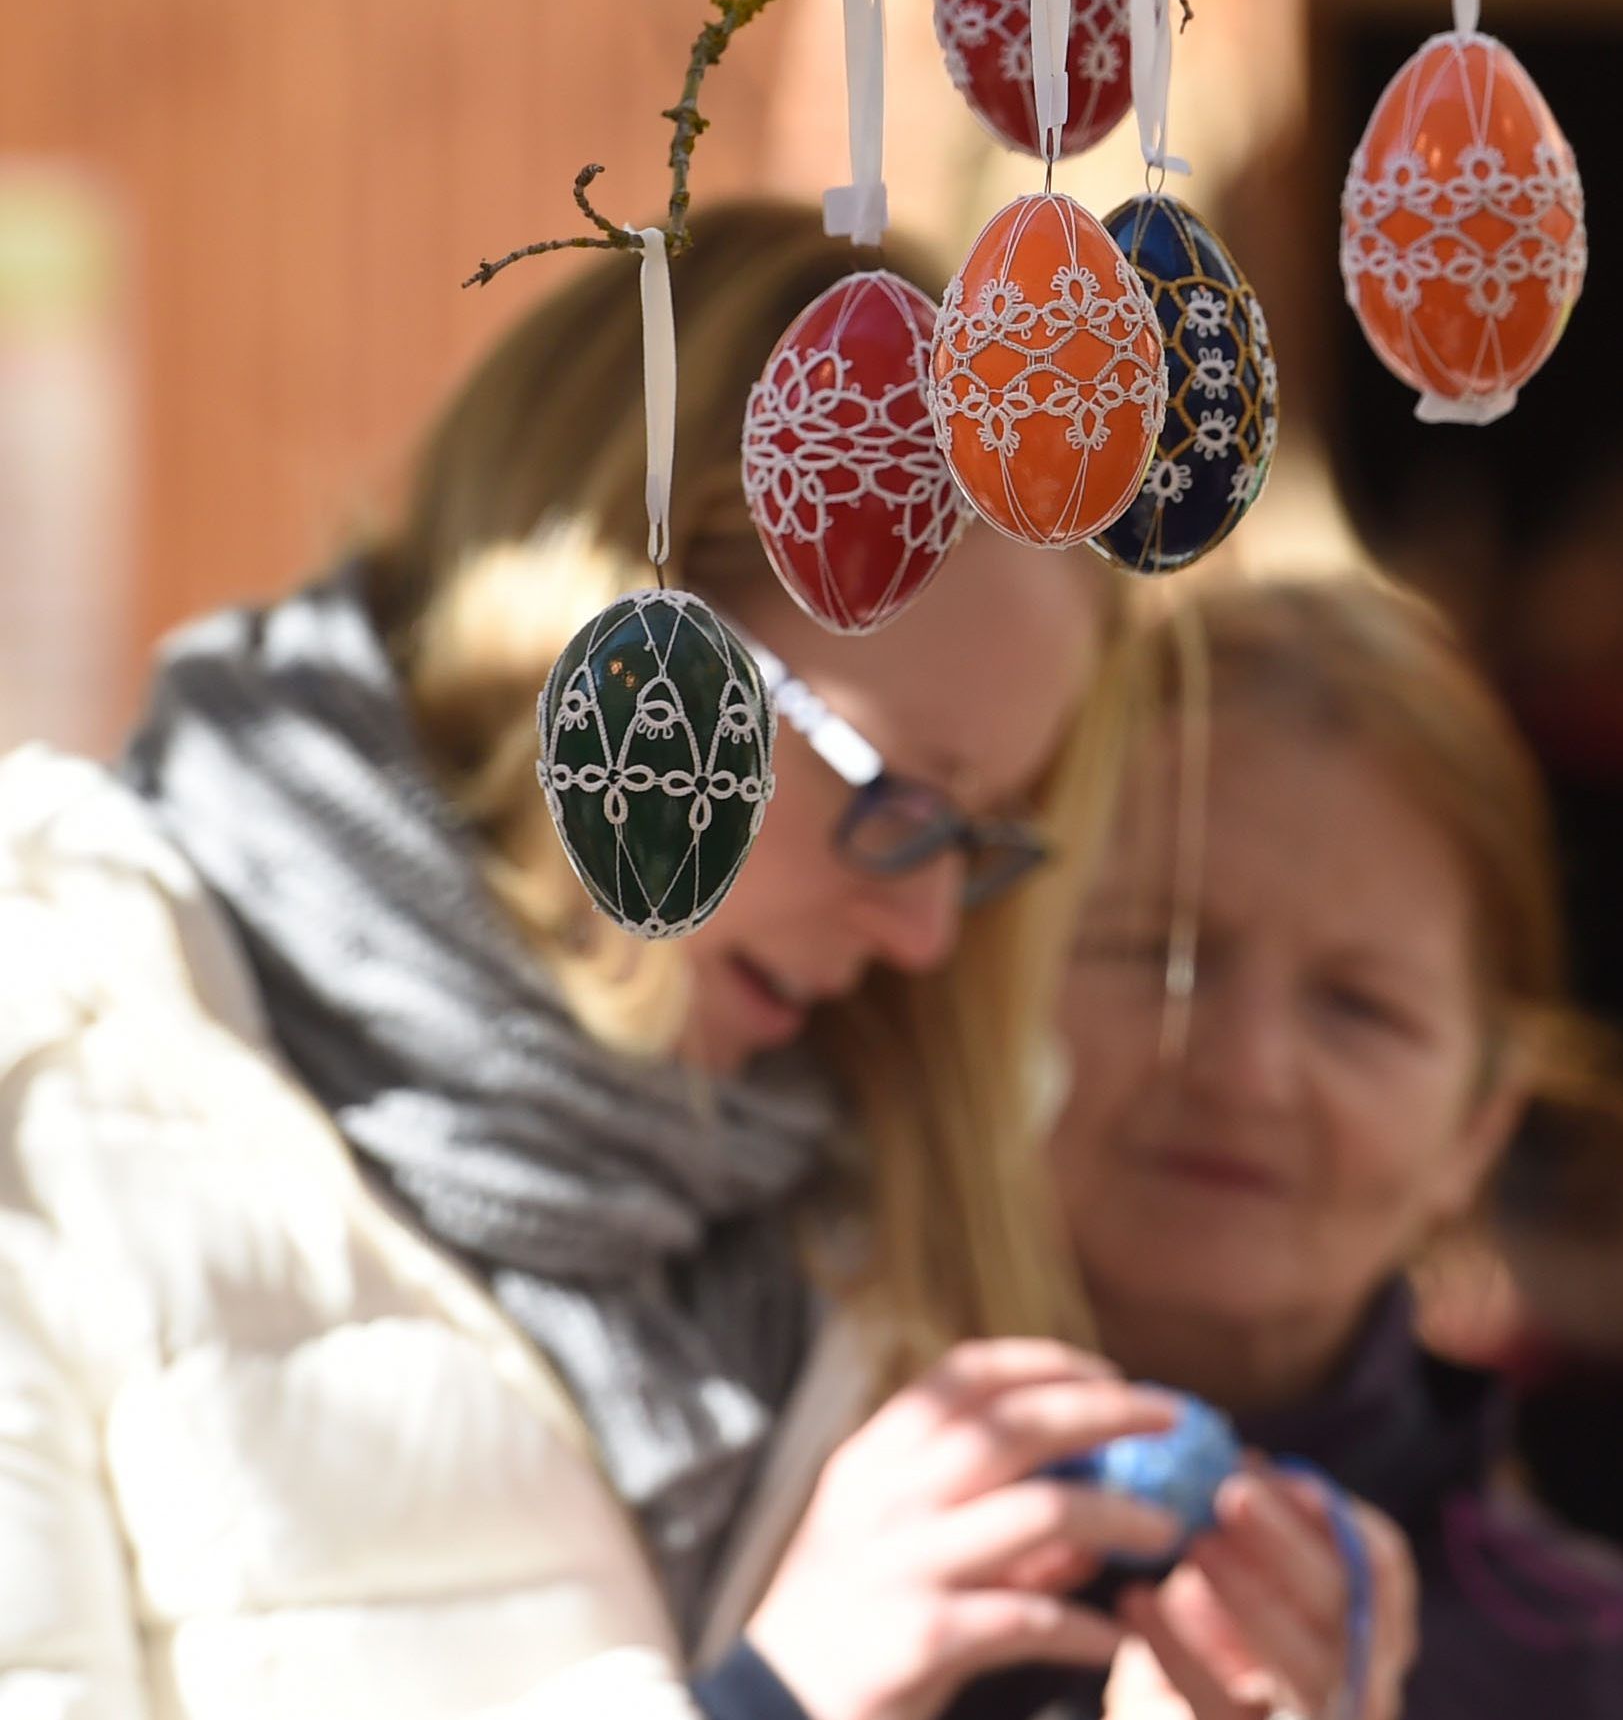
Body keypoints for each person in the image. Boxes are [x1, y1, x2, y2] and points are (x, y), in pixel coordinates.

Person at [0, 203, 1409, 1720]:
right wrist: (767, 1697)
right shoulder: (61, 1071)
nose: (927, 936)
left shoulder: (863, 1201)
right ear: (616, 645)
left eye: (979, 839)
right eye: (889, 797)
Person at [1011, 572, 1623, 1720]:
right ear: (993, 982)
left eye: (1359, 1006)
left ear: (1480, 1123)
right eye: (1159, 953)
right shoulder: (819, 1558)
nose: (1244, 1069)